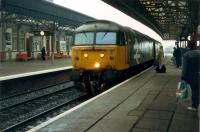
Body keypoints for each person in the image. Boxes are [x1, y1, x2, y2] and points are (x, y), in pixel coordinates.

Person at [181, 41, 200, 111]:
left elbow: (184, 67)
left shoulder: (187, 55)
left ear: (188, 47)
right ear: (195, 46)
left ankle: (194, 106)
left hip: (193, 75)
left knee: (194, 90)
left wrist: (183, 76)